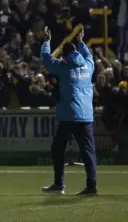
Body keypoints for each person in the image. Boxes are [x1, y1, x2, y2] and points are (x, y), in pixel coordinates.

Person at [39, 26, 98, 196]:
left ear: (64, 56)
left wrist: (47, 42)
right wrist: (81, 43)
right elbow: (88, 56)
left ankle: (59, 184)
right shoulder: (88, 66)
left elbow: (45, 59)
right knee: (88, 152)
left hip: (68, 116)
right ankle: (92, 186)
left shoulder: (63, 67)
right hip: (86, 115)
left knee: (58, 149)